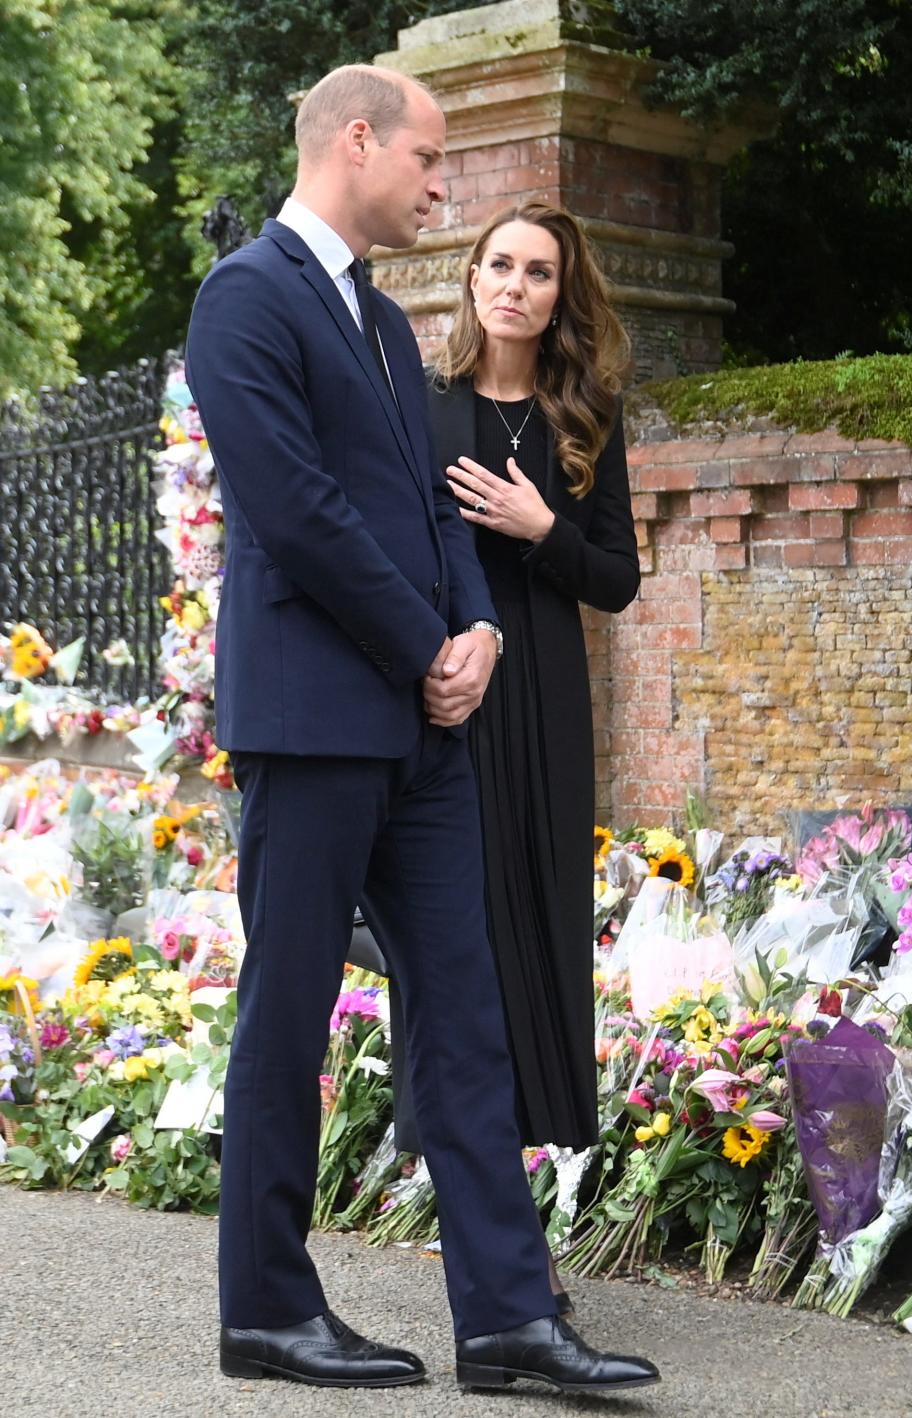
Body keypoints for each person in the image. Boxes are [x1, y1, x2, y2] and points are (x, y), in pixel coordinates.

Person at [184, 65, 659, 1395]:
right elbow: (297, 513)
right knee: (287, 1018)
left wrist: (482, 633)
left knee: (468, 1023)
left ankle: (509, 1320)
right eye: (431, 159)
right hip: (315, 727)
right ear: (358, 143)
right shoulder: (246, 301)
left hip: (424, 735)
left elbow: (435, 508)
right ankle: (267, 1308)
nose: (443, 185)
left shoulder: (390, 330)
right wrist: (425, 643)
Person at [390, 203, 641, 1304]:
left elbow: (618, 580)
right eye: (499, 263)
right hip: (445, 700)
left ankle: (511, 1234)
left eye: (539, 272)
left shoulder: (586, 414)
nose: (516, 285)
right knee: (462, 957)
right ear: (471, 276)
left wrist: (545, 528)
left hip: (545, 706)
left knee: (533, 940)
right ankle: (500, 1246)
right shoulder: (425, 405)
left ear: (559, 293)